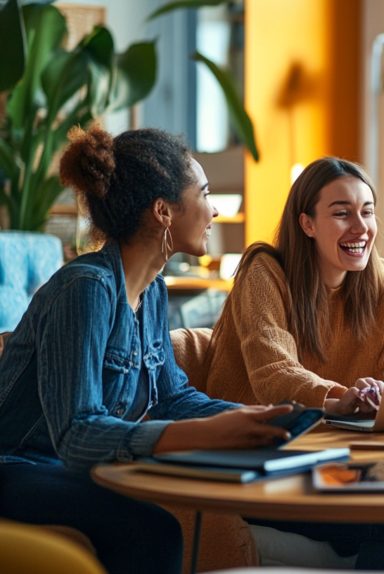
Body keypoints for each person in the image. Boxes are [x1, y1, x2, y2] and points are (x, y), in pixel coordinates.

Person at [0, 125, 294, 574]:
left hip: (59, 469)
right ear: (163, 211)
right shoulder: (86, 290)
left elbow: (172, 396)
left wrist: (260, 417)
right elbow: (78, 435)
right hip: (14, 465)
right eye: (205, 193)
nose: (214, 208)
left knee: (154, 523)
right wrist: (204, 435)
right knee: (152, 528)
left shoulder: (151, 290)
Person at [201, 156, 384, 569]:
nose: (360, 227)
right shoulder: (264, 272)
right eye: (341, 214)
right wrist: (338, 397)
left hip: (347, 464)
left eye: (367, 211)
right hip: (262, 464)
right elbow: (273, 375)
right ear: (306, 224)